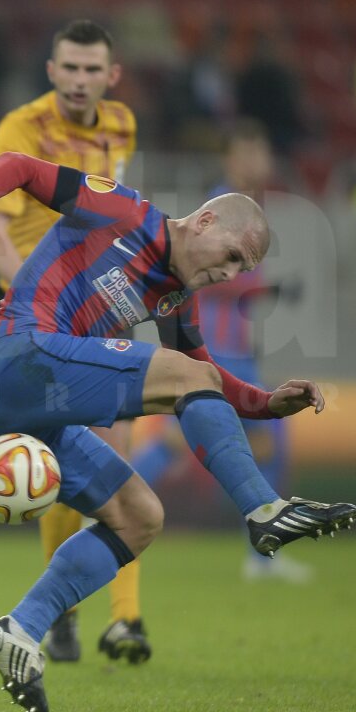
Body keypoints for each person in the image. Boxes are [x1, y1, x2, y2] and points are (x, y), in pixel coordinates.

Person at [0, 151, 356, 712]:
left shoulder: (174, 295)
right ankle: (262, 510)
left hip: (34, 407)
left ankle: (20, 631)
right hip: (13, 361)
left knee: (140, 517)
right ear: (203, 221)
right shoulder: (122, 212)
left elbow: (207, 376)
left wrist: (267, 404)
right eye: (229, 257)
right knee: (184, 378)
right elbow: (18, 166)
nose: (227, 274)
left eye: (239, 271)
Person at [0, 20, 149, 665]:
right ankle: (69, 610)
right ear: (50, 71)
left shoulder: (121, 126)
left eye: (90, 70)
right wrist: (30, 291)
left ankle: (124, 620)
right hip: (40, 323)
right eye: (68, 68)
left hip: (101, 312)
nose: (78, 80)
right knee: (72, 468)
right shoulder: (21, 131)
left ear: (111, 76)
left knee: (115, 456)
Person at [129, 120, 310, 582]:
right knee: (200, 441)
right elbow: (210, 273)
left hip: (233, 347)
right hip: (211, 344)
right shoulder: (223, 206)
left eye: (261, 152)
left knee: (253, 442)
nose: (256, 162)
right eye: (248, 153)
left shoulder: (251, 206)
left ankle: (260, 556)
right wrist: (270, 287)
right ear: (231, 158)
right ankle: (108, 500)